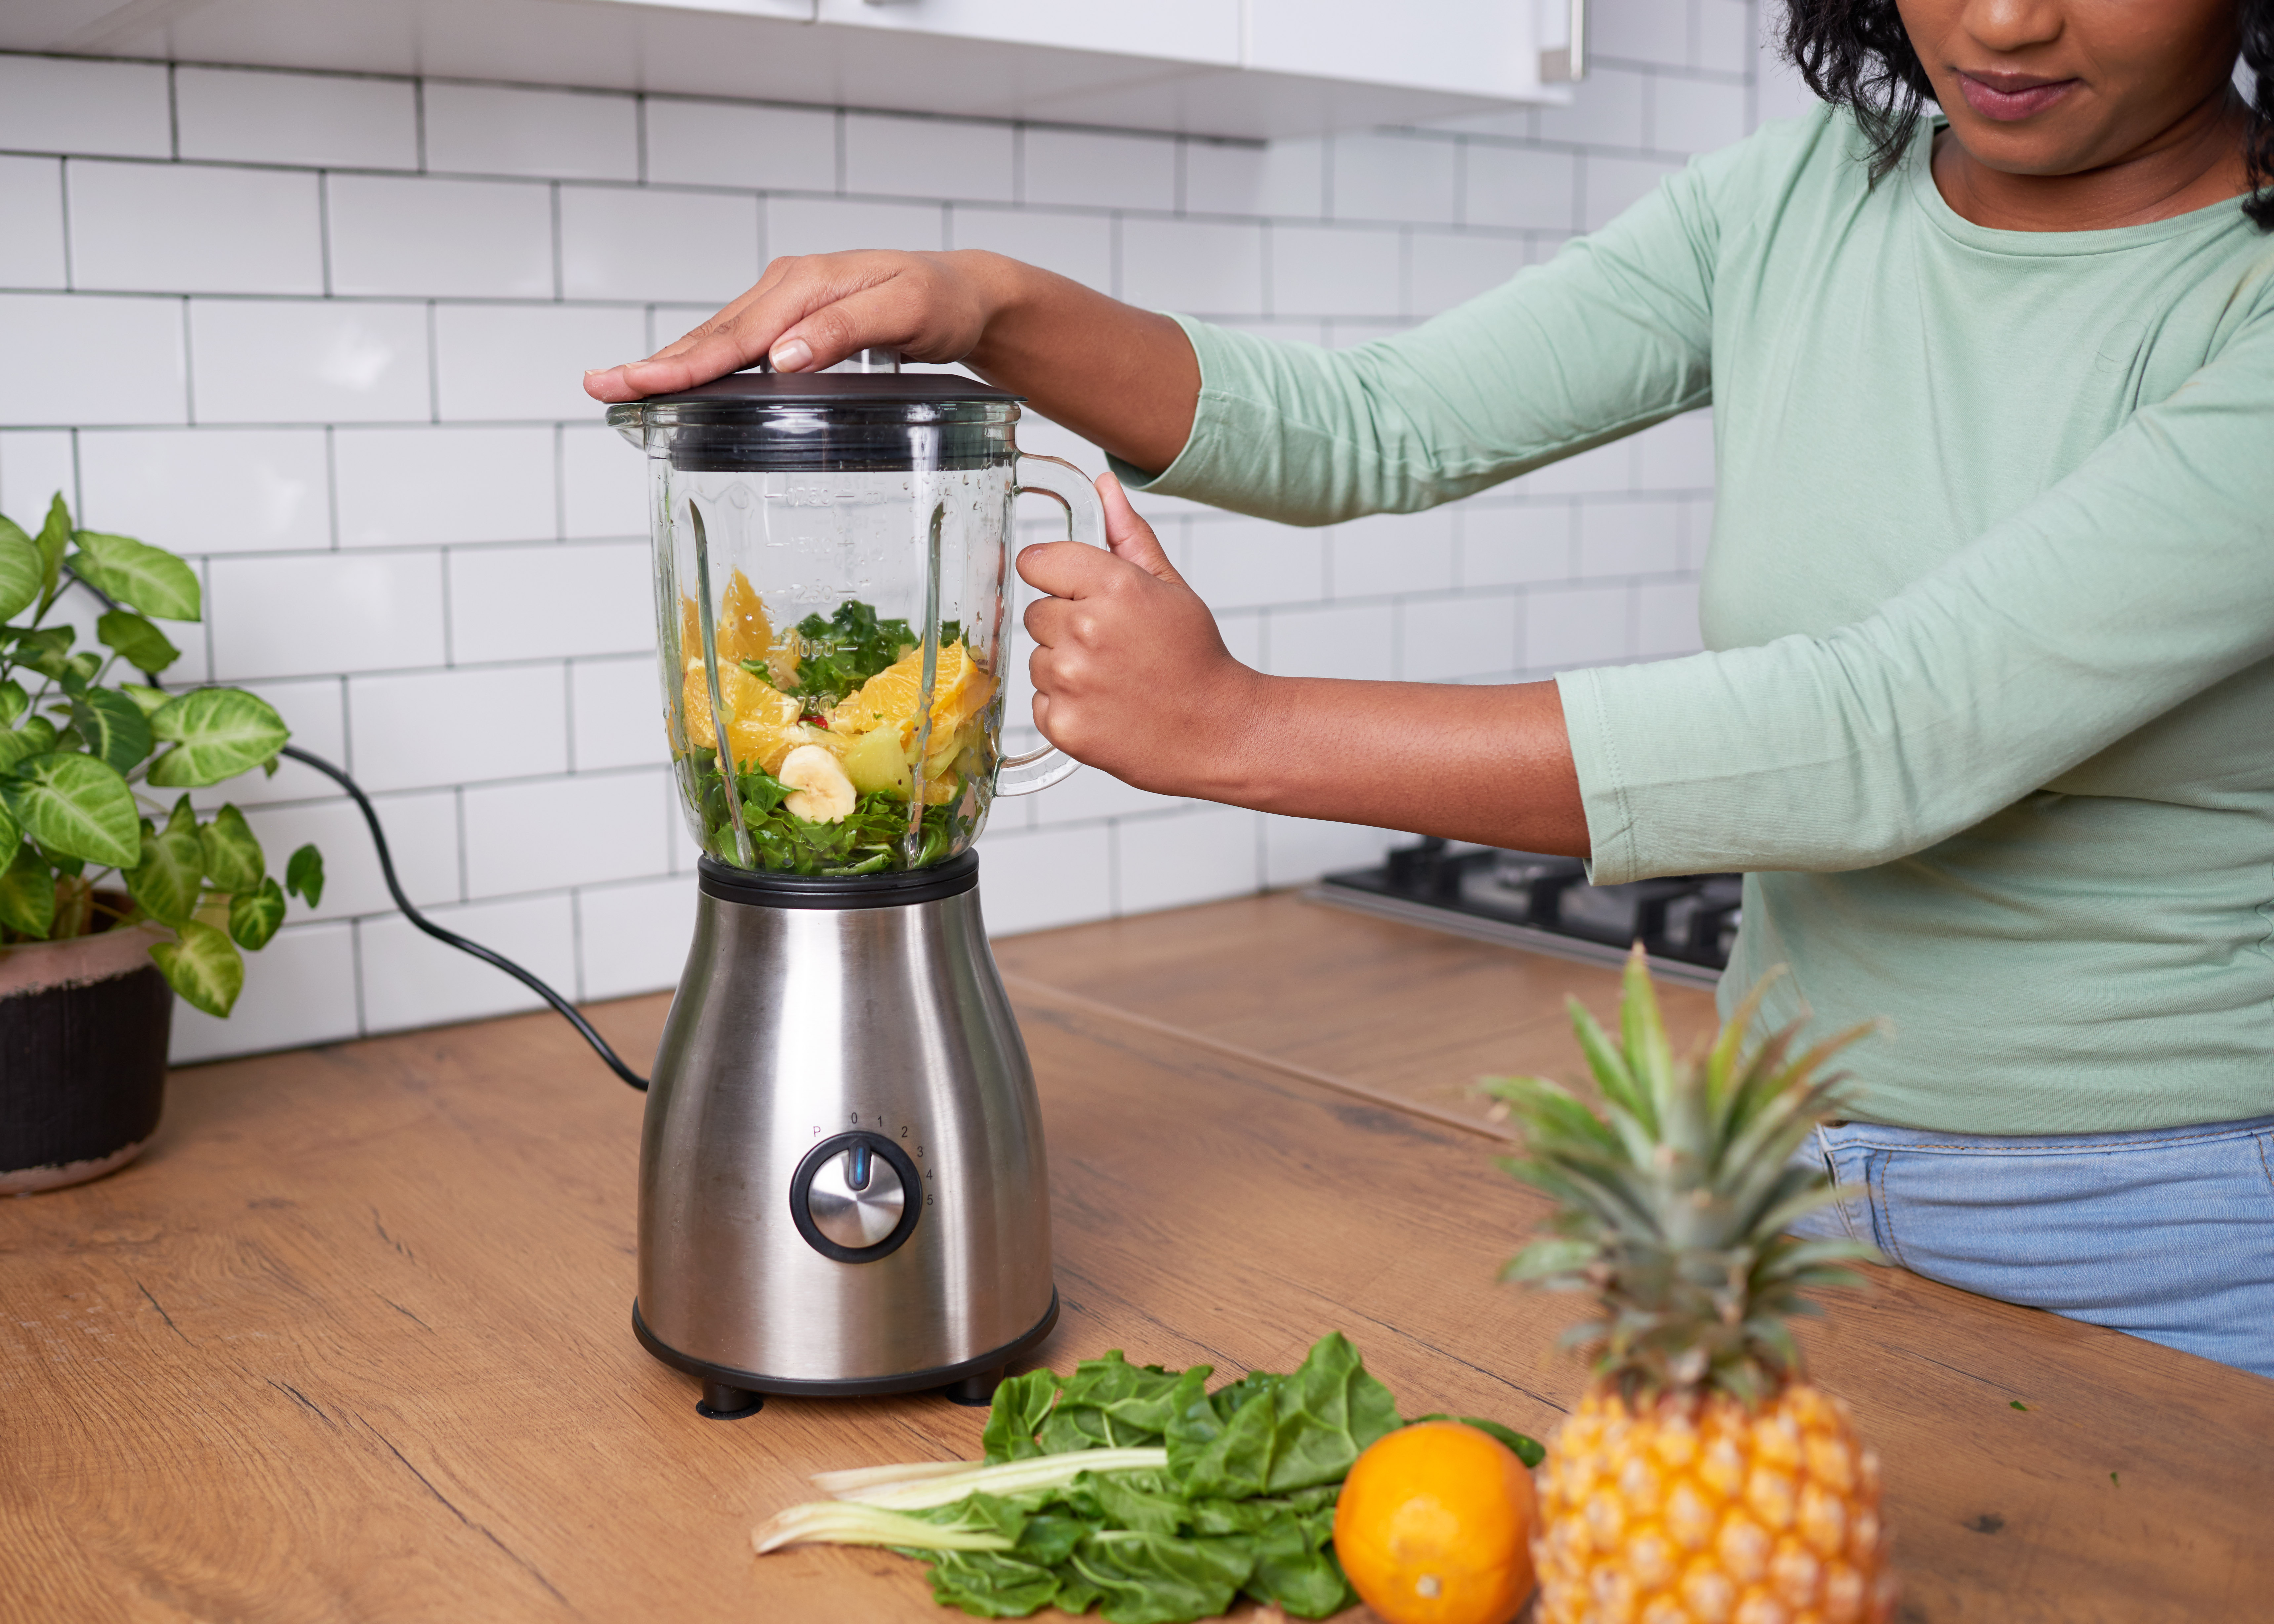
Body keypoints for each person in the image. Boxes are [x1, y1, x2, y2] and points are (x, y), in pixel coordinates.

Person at [587, 0, 2274, 1377]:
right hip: (1771, 1180)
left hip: (2166, 1224)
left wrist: (1243, 733)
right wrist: (986, 301)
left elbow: (1881, 739)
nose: (2001, 17)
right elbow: (1378, 422)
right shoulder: (1797, 199)